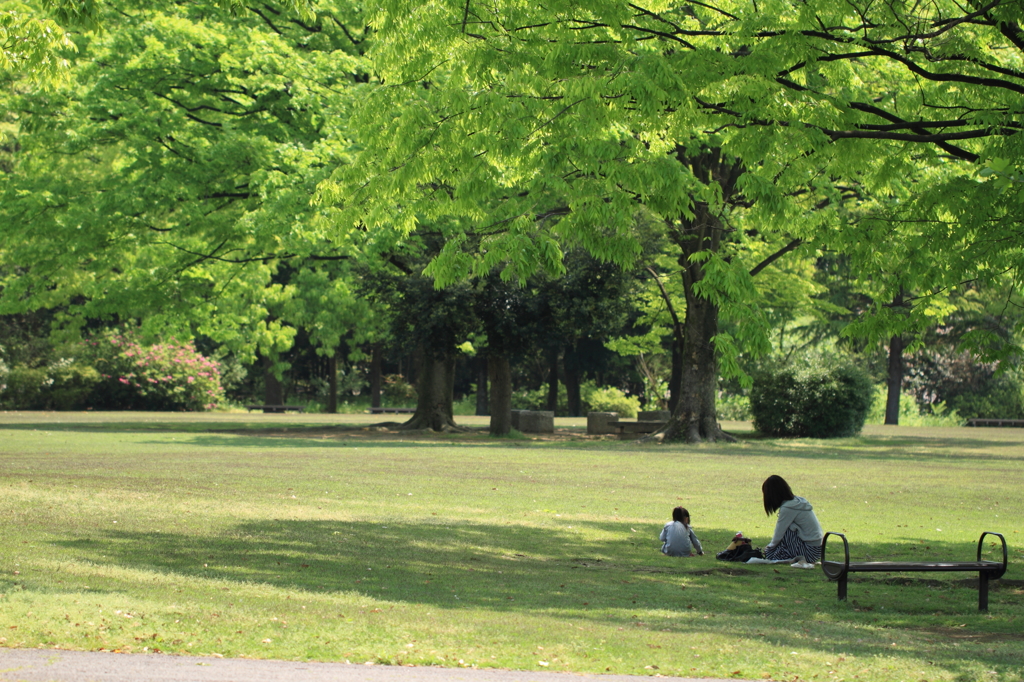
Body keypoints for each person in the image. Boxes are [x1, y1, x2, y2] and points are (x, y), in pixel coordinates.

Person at [761, 475, 823, 563]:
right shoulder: (797, 502)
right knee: (789, 530)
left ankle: (777, 554)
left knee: (786, 532)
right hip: (817, 550)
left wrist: (769, 548)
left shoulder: (788, 508)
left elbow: (779, 532)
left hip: (809, 552)